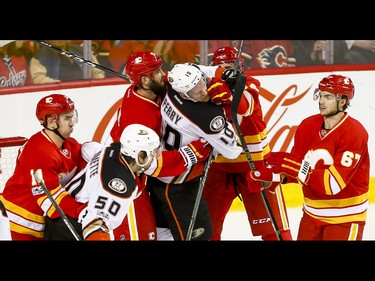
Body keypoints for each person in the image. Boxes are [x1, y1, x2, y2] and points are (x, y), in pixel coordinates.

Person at [252, 74, 370, 240]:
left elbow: (332, 184)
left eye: (328, 97)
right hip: (311, 217)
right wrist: (272, 177)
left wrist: (292, 166)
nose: (321, 101)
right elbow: (297, 172)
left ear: (342, 101)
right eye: (320, 95)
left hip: (345, 219)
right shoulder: (307, 126)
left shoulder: (355, 133)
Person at [109, 51, 211, 241]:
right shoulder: (139, 120)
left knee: (164, 231)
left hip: (149, 180)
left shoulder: (147, 89)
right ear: (145, 81)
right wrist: (195, 151)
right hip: (135, 181)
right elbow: (150, 164)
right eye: (156, 72)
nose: (163, 75)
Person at [200, 46, 293, 240]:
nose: (228, 69)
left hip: (255, 167)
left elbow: (245, 105)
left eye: (231, 65)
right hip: (219, 170)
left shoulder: (250, 83)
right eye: (222, 66)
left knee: (274, 230)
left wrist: (230, 92)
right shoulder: (205, 89)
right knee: (206, 231)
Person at [147, 63, 243, 240]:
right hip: (179, 183)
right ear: (184, 94)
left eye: (200, 83)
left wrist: (223, 73)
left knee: (164, 232)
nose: (202, 91)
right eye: (194, 91)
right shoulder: (207, 117)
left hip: (161, 177)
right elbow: (233, 151)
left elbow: (203, 70)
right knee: (199, 235)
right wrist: (226, 111)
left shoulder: (172, 85)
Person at [1, 94, 87, 240]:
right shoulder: (38, 151)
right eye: (67, 118)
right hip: (16, 221)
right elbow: (49, 199)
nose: (72, 123)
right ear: (52, 122)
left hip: (39, 222)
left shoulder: (70, 145)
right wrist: (83, 212)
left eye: (73, 117)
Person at [64, 124, 161, 240]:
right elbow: (94, 226)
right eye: (152, 153)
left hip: (65, 214)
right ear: (140, 156)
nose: (155, 157)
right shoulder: (118, 187)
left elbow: (86, 149)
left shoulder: (112, 150)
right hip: (69, 229)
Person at [29, 40, 105, 84]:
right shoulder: (40, 55)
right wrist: (63, 87)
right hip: (59, 95)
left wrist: (93, 86)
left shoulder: (81, 51)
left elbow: (98, 71)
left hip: (86, 91)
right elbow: (38, 79)